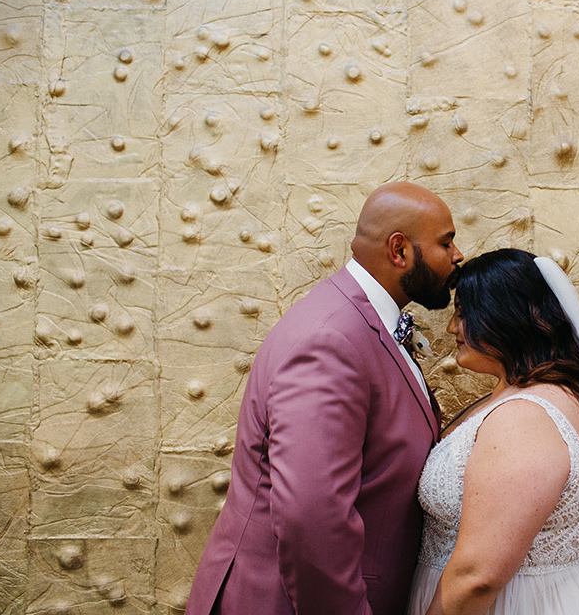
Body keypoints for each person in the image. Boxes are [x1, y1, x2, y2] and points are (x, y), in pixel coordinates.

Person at [186, 182, 464, 615]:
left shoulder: (361, 322)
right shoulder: (331, 341)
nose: (457, 255)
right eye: (446, 242)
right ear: (399, 251)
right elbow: (311, 517)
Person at [407, 249, 579, 615]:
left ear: (507, 316)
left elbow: (478, 576)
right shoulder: (530, 392)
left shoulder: (523, 419)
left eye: (463, 313)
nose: (453, 328)